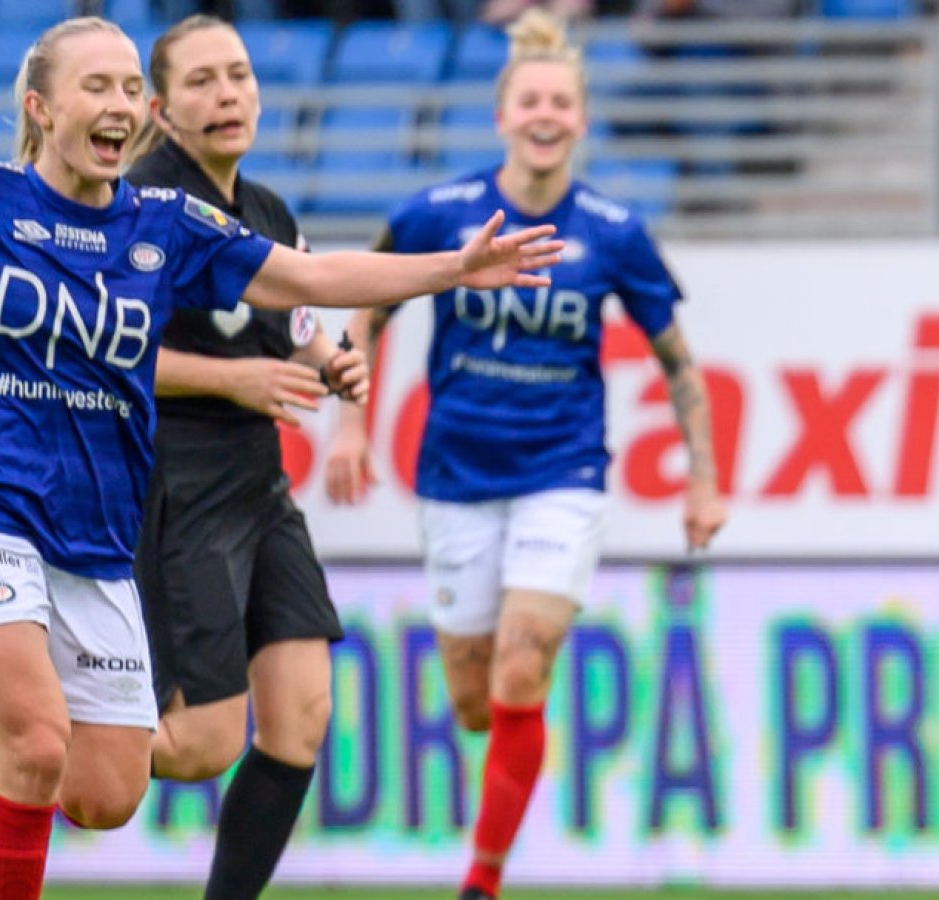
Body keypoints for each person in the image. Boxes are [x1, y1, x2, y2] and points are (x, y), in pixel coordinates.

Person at [0, 4, 560, 899]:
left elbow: (311, 278)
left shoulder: (164, 226)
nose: (121, 105)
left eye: (131, 88)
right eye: (98, 86)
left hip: (96, 548)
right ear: (40, 107)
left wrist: (450, 269)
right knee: (39, 746)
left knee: (105, 793)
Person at [0, 14, 365, 900]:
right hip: (176, 483)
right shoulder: (132, 191)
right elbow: (102, 349)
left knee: (304, 715)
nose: (228, 94)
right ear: (160, 108)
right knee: (195, 745)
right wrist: (235, 382)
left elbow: (301, 307)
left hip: (261, 483)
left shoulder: (264, 208)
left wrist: (328, 362)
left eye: (239, 74)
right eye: (201, 81)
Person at [324, 10, 726, 900]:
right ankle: (509, 759)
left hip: (564, 473)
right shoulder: (441, 214)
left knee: (521, 662)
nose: (545, 115)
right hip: (457, 479)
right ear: (502, 115)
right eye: (530, 100)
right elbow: (370, 309)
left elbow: (679, 365)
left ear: (581, 119)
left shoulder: (616, 232)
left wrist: (703, 479)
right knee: (476, 700)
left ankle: (483, 880)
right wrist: (351, 423)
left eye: (562, 103)